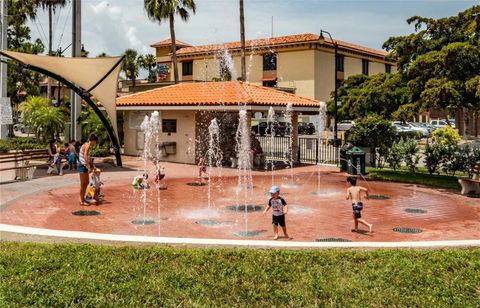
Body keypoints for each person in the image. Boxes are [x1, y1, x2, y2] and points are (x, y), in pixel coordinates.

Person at [78, 134, 98, 206]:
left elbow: (88, 157)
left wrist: (92, 165)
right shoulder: (88, 145)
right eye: (95, 142)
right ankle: (81, 200)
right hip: (82, 166)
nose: (95, 144)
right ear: (93, 141)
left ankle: (82, 199)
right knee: (83, 184)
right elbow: (85, 156)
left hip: (83, 166)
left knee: (86, 183)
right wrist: (89, 167)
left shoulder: (86, 145)